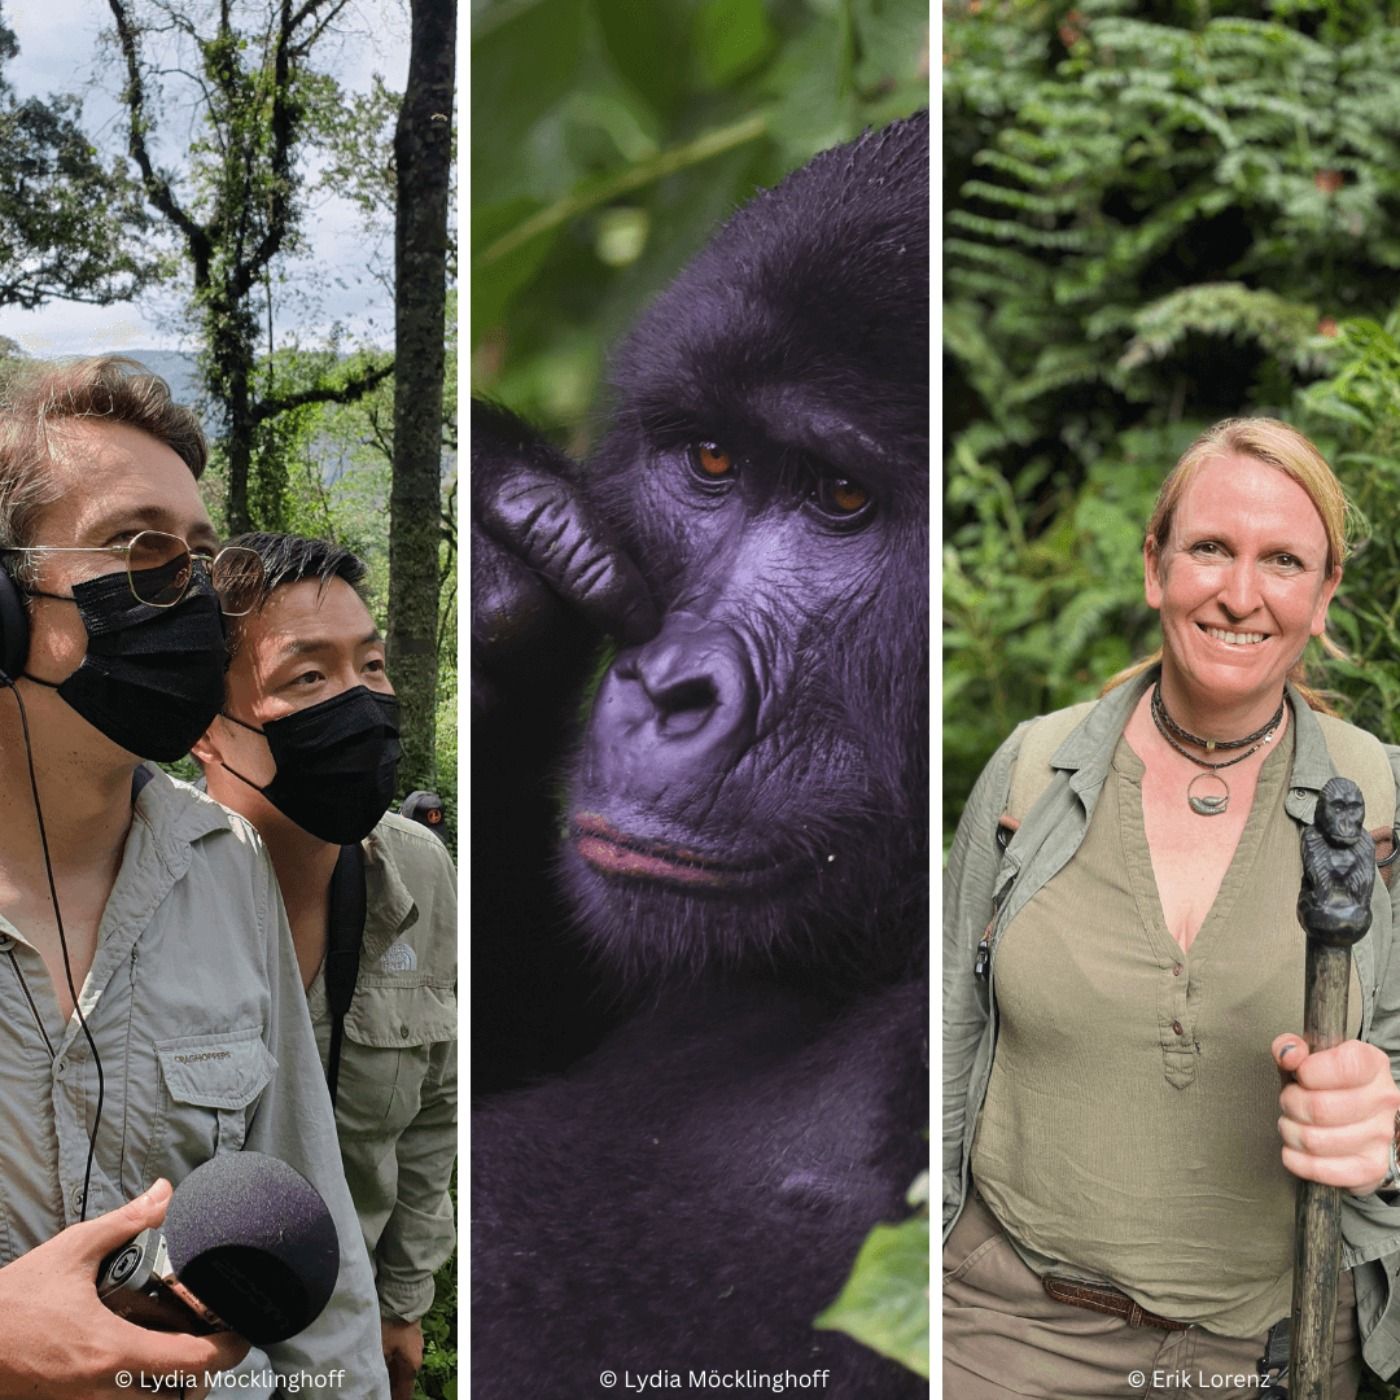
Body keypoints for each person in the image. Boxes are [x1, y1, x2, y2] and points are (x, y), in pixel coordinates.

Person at [944, 418, 1400, 1399]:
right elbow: (940, 1035)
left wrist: (1381, 1126)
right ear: (1153, 567)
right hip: (1002, 1334)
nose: (1239, 593)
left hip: (1264, 1354)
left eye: (1282, 560)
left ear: (1321, 599)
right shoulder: (1031, 769)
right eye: (1208, 548)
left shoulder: (1378, 805)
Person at [0, 357, 389, 1399]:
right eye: (141, 550)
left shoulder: (225, 867)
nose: (191, 600)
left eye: (199, 562)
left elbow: (326, 1266)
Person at [191, 532, 456, 1400]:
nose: (360, 702)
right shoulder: (147, 890)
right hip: (193, 1366)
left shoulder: (417, 869)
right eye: (309, 677)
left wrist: (403, 1302)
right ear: (204, 724)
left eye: (371, 666)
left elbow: (436, 1107)